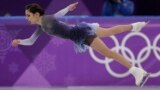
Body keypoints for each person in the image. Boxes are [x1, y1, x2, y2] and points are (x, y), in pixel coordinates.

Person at [11, 2, 150, 87]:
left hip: (81, 34)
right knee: (109, 32)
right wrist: (20, 41)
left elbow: (56, 15)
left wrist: (67, 8)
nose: (26, 18)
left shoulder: (46, 20)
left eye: (28, 15)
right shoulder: (41, 27)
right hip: (80, 31)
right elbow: (31, 40)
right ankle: (135, 26)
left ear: (36, 14)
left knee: (108, 52)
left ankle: (136, 71)